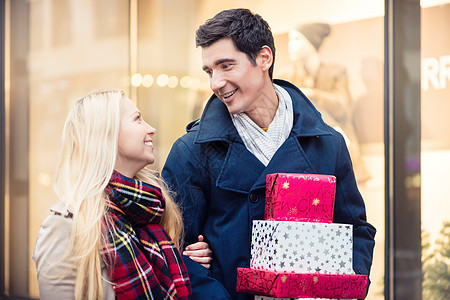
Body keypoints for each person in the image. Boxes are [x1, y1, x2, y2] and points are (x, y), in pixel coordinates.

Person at [162, 8, 376, 300]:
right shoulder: (191, 151)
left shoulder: (328, 143)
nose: (215, 83)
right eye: (210, 71)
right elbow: (173, 249)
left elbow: (356, 232)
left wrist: (342, 289)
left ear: (264, 58)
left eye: (226, 65)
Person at [33, 89, 212, 299]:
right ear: (106, 133)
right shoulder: (65, 225)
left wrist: (185, 264)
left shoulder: (146, 211)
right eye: (137, 119)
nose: (151, 129)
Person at [282, 22, 371, 184]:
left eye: (296, 39)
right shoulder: (287, 77)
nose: (290, 45)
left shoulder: (336, 72)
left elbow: (343, 108)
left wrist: (312, 94)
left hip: (333, 141)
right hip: (301, 150)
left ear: (310, 43)